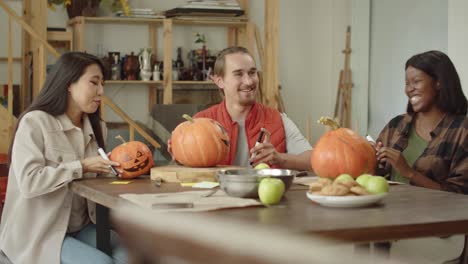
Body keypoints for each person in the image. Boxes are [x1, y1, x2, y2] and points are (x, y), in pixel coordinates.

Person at [0, 52, 127, 264]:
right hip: (41, 233)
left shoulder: (98, 128)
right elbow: (30, 182)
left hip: (83, 226)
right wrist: (81, 166)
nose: (101, 91)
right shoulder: (35, 123)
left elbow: (98, 183)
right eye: (94, 83)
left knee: (138, 256)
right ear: (69, 83)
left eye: (102, 84)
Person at [193, 46, 312, 170]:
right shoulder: (200, 121)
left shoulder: (279, 119)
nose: (249, 81)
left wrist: (280, 158)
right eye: (238, 74)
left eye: (252, 73)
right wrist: (179, 155)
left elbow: (313, 160)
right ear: (219, 81)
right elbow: (186, 163)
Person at [376, 50, 467, 193]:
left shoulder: (462, 131)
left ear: (438, 83)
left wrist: (409, 172)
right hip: (392, 212)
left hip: (440, 215)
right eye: (407, 83)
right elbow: (377, 177)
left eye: (416, 82)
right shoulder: (396, 125)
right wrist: (370, 158)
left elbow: (461, 195)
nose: (409, 89)